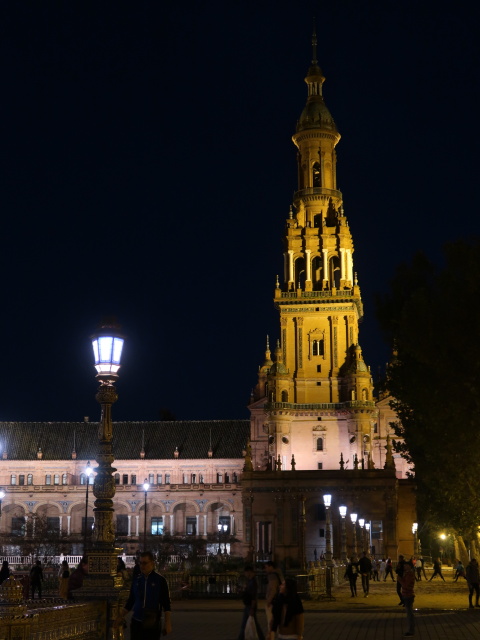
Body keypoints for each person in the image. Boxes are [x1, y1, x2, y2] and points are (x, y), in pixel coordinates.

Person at [115, 551, 172, 639]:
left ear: (152, 563)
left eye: (145, 563)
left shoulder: (160, 580)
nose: (142, 566)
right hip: (136, 621)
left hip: (152, 622)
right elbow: (131, 601)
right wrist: (120, 616)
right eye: (140, 563)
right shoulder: (137, 580)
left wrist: (167, 623)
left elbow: (166, 603)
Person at [237, 564, 264, 640]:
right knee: (249, 624)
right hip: (248, 606)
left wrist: (252, 608)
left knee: (247, 624)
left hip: (250, 606)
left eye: (245, 573)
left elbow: (253, 597)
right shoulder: (250, 581)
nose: (245, 574)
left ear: (249, 572)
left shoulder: (253, 582)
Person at [265, 561, 282, 640]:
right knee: (276, 620)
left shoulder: (272, 576)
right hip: (278, 600)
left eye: (267, 567)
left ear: (271, 567)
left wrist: (269, 600)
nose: (266, 569)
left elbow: (273, 589)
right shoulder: (278, 574)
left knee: (271, 621)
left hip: (273, 601)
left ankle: (271, 636)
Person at [398, 560, 415, 637]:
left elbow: (406, 585)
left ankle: (411, 631)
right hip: (406, 595)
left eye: (406, 565)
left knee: (409, 614)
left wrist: (400, 580)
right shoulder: (407, 574)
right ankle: (410, 630)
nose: (404, 566)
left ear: (410, 566)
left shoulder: (410, 574)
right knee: (409, 614)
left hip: (408, 595)